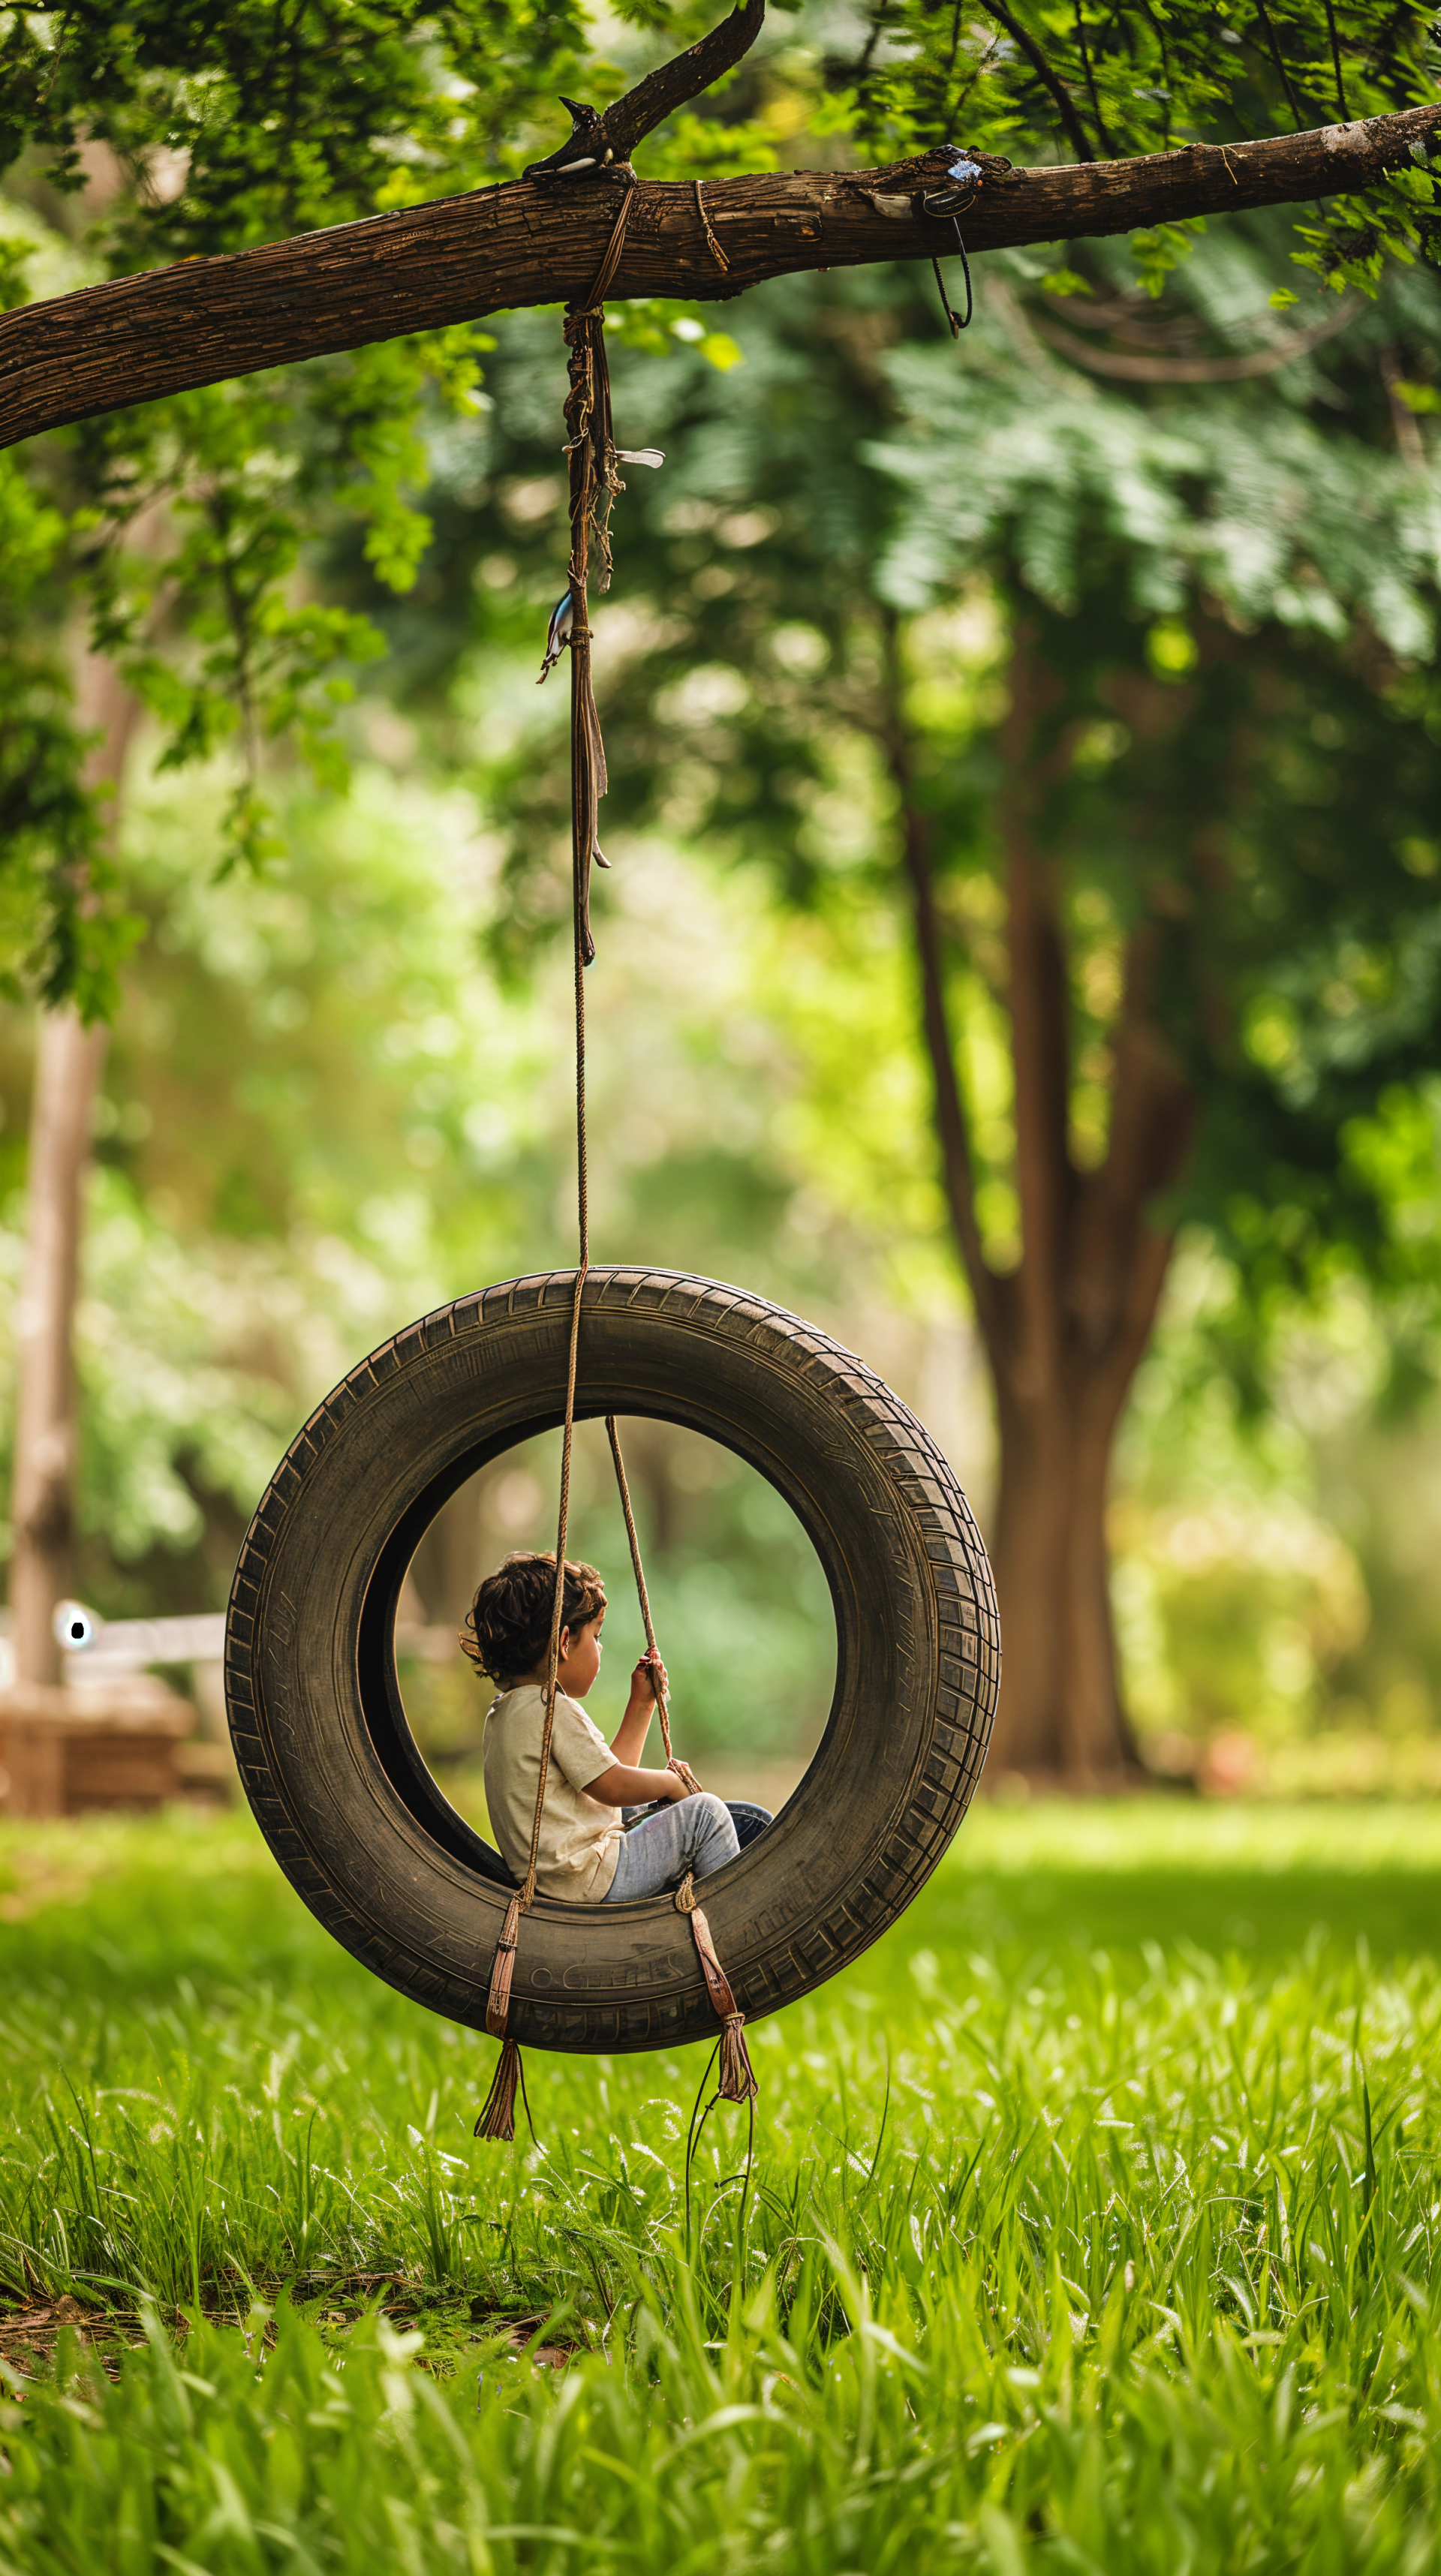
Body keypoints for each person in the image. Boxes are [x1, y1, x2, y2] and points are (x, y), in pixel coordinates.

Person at [461, 1550, 771, 1904]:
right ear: (564, 1642)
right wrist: (672, 1782)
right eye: (596, 1636)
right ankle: (737, 1926)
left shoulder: (506, 1713)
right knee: (704, 1815)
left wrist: (641, 1704)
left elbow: (601, 1788)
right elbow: (614, 1787)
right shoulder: (550, 1708)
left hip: (568, 1876)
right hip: (587, 1877)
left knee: (751, 1822)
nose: (600, 1647)